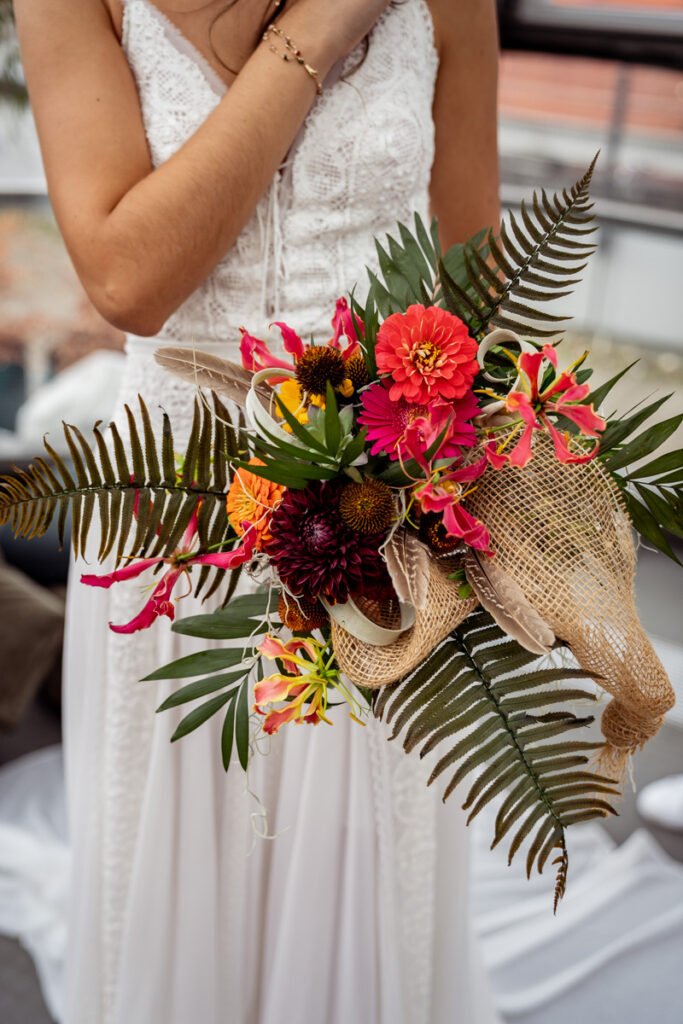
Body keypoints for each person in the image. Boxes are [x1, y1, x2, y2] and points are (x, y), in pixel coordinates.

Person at [14, 1, 501, 1021]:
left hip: (379, 508)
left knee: (360, 855)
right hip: (173, 510)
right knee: (188, 854)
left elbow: (474, 286)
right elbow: (127, 278)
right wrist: (318, 34)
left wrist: (452, 486)